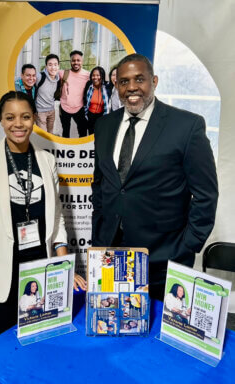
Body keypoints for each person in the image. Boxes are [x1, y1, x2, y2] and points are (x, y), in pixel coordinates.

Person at [0, 91, 86, 338]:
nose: (18, 124)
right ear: (1, 120)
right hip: (1, 264)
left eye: (25, 117)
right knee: (3, 338)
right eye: (10, 117)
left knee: (41, 336)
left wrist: (65, 266)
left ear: (34, 118)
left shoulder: (46, 160)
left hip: (39, 262)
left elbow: (57, 220)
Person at [91, 53, 218, 301]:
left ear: (154, 81)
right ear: (116, 85)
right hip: (111, 253)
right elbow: (101, 184)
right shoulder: (104, 126)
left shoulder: (186, 126)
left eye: (140, 79)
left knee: (158, 336)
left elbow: (206, 194)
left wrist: (188, 245)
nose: (132, 88)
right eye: (124, 81)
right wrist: (99, 234)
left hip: (163, 259)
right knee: (115, 330)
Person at [59, 50, 89, 138]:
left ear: (82, 61)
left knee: (83, 132)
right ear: (70, 61)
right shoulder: (63, 73)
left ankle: (81, 150)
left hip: (80, 108)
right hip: (64, 107)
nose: (76, 62)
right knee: (65, 132)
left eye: (78, 60)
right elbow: (49, 75)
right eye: (73, 60)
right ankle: (65, 150)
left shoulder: (88, 75)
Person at [35, 54, 61, 134]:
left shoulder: (58, 79)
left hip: (51, 111)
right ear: (46, 66)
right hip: (40, 112)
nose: (53, 67)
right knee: (42, 136)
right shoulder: (40, 76)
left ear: (58, 66)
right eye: (50, 65)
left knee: (50, 134)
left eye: (55, 65)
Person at [83, 66, 110, 135]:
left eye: (98, 75)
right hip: (90, 115)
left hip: (101, 116)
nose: (95, 77)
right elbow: (84, 99)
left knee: (100, 135)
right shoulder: (89, 85)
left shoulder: (107, 86)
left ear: (102, 76)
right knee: (91, 135)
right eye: (93, 75)